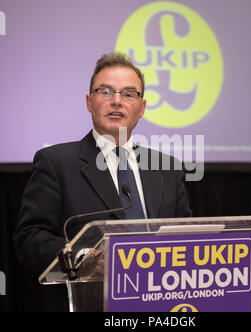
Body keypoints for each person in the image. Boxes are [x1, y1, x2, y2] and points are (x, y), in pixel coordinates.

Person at [13, 52, 192, 311]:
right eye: (106, 92)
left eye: (129, 93)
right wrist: (83, 256)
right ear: (89, 102)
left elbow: (185, 239)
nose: (117, 101)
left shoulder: (167, 169)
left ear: (142, 107)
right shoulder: (56, 162)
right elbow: (29, 239)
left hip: (159, 306)